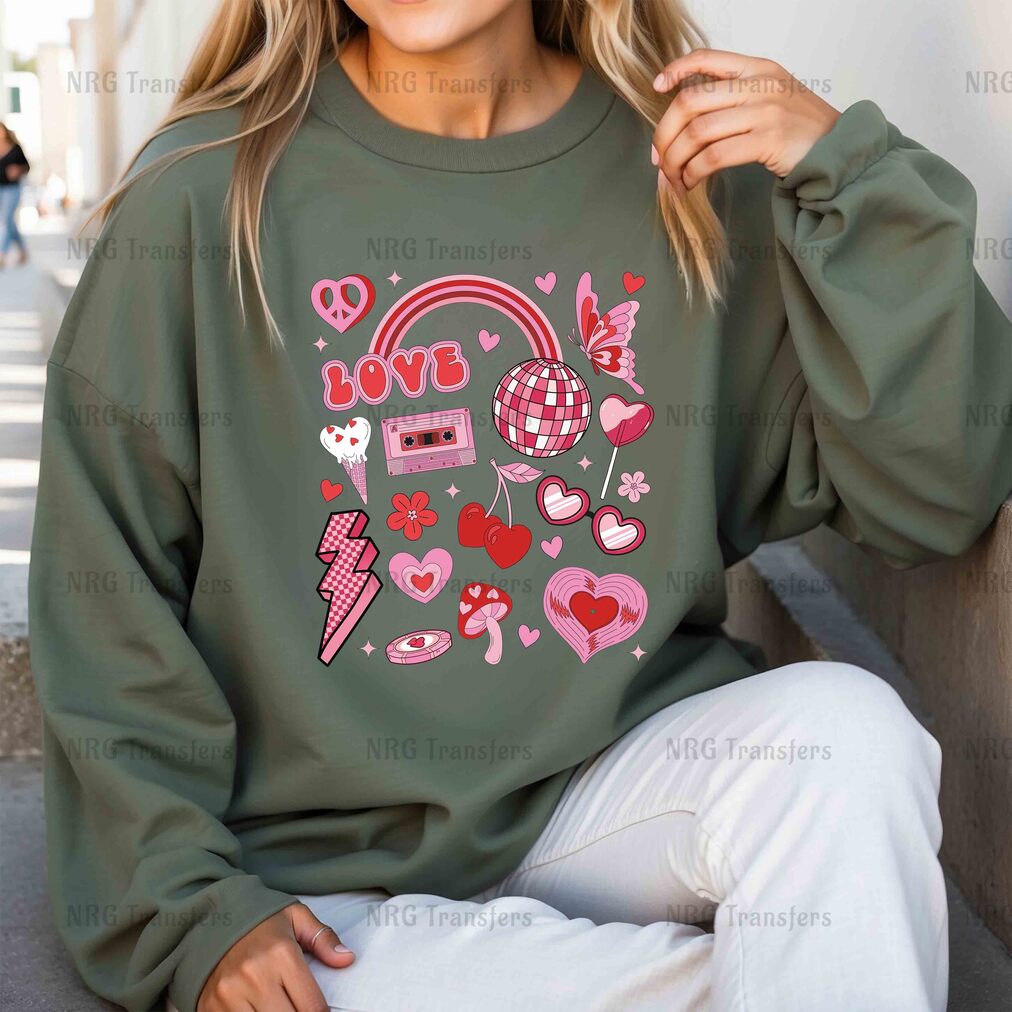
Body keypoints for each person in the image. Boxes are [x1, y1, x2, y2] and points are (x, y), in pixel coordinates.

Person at [29, 1, 1011, 1010]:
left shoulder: (687, 174)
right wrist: (190, 908)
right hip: (324, 885)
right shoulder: (205, 195)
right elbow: (106, 603)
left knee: (848, 737)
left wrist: (844, 168)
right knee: (832, 965)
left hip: (608, 802)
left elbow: (939, 490)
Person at [0, 122, 30, 266]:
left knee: (5, 220)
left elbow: (27, 166)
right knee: (9, 222)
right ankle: (23, 250)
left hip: (12, 189)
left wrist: (18, 170)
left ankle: (2, 254)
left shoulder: (15, 149)